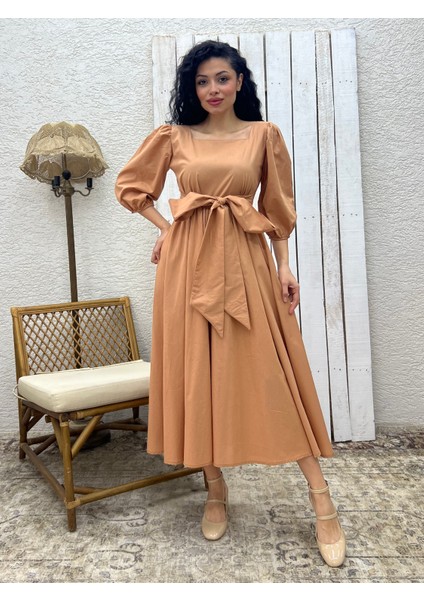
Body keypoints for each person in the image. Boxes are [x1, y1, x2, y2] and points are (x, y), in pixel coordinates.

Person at [115, 39, 346, 567]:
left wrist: (284, 265)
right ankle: (215, 488)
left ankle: (321, 499)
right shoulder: (174, 137)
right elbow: (131, 187)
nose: (212, 89)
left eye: (221, 78)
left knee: (271, 373)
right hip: (187, 266)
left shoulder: (264, 135)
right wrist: (168, 229)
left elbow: (278, 207)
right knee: (196, 372)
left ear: (240, 81)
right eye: (202, 81)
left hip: (245, 258)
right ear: (192, 88)